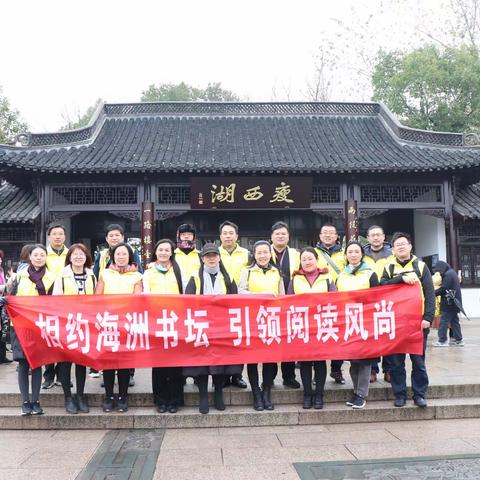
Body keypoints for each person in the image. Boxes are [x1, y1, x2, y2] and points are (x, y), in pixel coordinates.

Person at [183, 243, 241, 414]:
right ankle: (202, 396)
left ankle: (218, 393)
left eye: (214, 255)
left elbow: (235, 300)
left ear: (219, 257)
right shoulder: (195, 277)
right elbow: (187, 302)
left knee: (220, 363)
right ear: (202, 258)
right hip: (201, 326)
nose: (211, 258)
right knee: (202, 363)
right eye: (207, 256)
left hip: (222, 327)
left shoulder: (227, 278)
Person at [381, 232, 435, 408]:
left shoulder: (421, 267)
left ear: (410, 246)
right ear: (393, 249)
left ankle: (419, 394)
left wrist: (427, 317)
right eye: (397, 245)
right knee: (396, 363)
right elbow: (382, 287)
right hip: (396, 323)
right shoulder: (388, 267)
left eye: (404, 244)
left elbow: (430, 294)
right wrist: (400, 279)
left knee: (418, 362)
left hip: (417, 323)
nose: (401, 247)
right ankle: (400, 394)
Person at [4, 244, 56, 415]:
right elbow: (10, 298)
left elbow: (54, 303)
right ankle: (25, 402)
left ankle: (36, 401)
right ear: (30, 257)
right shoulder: (19, 276)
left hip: (40, 326)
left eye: (42, 254)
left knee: (37, 364)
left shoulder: (51, 277)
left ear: (46, 257)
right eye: (36, 254)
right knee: (24, 363)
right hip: (20, 325)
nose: (39, 257)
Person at [95, 243, 143, 413]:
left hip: (127, 323)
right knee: (108, 363)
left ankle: (123, 396)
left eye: (124, 254)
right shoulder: (105, 274)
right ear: (112, 256)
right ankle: (108, 396)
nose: (121, 257)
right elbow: (97, 297)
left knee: (124, 362)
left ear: (129, 256)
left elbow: (138, 298)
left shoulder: (137, 276)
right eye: (118, 254)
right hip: (108, 322)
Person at [238, 240, 285, 411]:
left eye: (266, 252)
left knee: (270, 359)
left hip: (272, 320)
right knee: (253, 359)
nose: (263, 255)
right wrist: (261, 296)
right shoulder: (247, 271)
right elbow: (241, 292)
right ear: (254, 255)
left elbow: (282, 295)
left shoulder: (276, 271)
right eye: (259, 253)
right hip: (252, 320)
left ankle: (266, 391)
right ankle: (256, 393)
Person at [52, 243, 96, 414]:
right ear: (69, 257)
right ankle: (68, 396)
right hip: (67, 324)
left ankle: (80, 395)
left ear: (86, 257)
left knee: (81, 362)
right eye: (75, 254)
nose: (78, 257)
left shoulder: (92, 276)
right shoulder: (62, 276)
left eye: (82, 254)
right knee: (65, 361)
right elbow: (55, 302)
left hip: (85, 324)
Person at [287, 247, 333, 409]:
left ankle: (319, 394)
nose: (307, 262)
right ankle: (307, 394)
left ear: (316, 260)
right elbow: (288, 303)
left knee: (320, 362)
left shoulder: (327, 278)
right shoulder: (295, 280)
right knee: (305, 362)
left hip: (322, 324)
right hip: (302, 326)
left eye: (310, 258)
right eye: (304, 259)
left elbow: (335, 301)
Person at [336, 241, 380, 409]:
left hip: (366, 322)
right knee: (353, 360)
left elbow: (377, 298)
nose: (353, 254)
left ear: (362, 254)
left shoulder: (370, 274)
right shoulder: (341, 276)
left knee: (365, 360)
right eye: (350, 252)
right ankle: (356, 391)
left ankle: (361, 394)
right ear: (346, 255)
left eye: (356, 251)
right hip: (348, 322)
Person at [143, 239, 185, 414]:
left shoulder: (178, 269)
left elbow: (185, 293)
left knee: (176, 363)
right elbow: (145, 296)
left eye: (167, 250)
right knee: (159, 363)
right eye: (160, 250)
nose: (163, 253)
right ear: (155, 252)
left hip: (176, 321)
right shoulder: (148, 272)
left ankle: (175, 399)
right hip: (157, 322)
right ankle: (160, 399)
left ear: (171, 252)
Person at [218, 220, 249, 389]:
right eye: (225, 233)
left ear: (237, 236)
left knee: (238, 340)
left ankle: (237, 375)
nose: (228, 236)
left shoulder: (246, 253)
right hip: (220, 303)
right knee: (222, 340)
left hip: (240, 302)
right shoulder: (214, 253)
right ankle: (222, 376)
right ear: (220, 236)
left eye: (231, 233)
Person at [270, 221, 301, 389]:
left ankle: (289, 376)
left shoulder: (296, 254)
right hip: (269, 307)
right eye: (277, 234)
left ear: (288, 237)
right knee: (271, 341)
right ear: (271, 237)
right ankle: (270, 377)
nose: (280, 236)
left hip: (291, 305)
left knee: (289, 342)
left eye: (283, 234)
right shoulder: (263, 252)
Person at [315, 223, 346, 384]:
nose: (328, 235)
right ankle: (317, 372)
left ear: (336, 236)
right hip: (318, 302)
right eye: (324, 233)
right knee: (318, 336)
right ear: (320, 236)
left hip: (339, 300)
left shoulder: (344, 254)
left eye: (331, 233)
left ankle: (336, 369)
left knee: (338, 335)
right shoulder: (314, 253)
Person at [363, 225, 395, 383]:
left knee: (387, 333)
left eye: (378, 235)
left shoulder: (392, 254)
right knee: (372, 335)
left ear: (383, 237)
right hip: (369, 300)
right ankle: (373, 369)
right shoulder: (362, 255)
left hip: (389, 299)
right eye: (372, 235)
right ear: (368, 238)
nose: (375, 238)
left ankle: (388, 369)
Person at [42, 224, 69, 389]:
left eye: (61, 234)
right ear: (49, 237)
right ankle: (48, 375)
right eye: (54, 234)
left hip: (67, 303)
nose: (58, 237)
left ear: (65, 237)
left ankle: (62, 375)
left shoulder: (71, 253)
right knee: (49, 339)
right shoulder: (43, 254)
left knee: (65, 339)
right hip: (48, 302)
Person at [432, 261, 465, 347]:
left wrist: (433, 293)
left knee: (443, 321)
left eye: (439, 270)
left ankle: (442, 341)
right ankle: (459, 340)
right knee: (454, 321)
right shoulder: (452, 272)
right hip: (455, 302)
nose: (439, 272)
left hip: (448, 302)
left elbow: (444, 289)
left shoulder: (448, 274)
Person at [0, 250, 12, 364]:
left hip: (2, 304)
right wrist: (5, 286)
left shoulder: (2, 271)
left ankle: (2, 356)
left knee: (3, 330)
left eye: (0, 258)